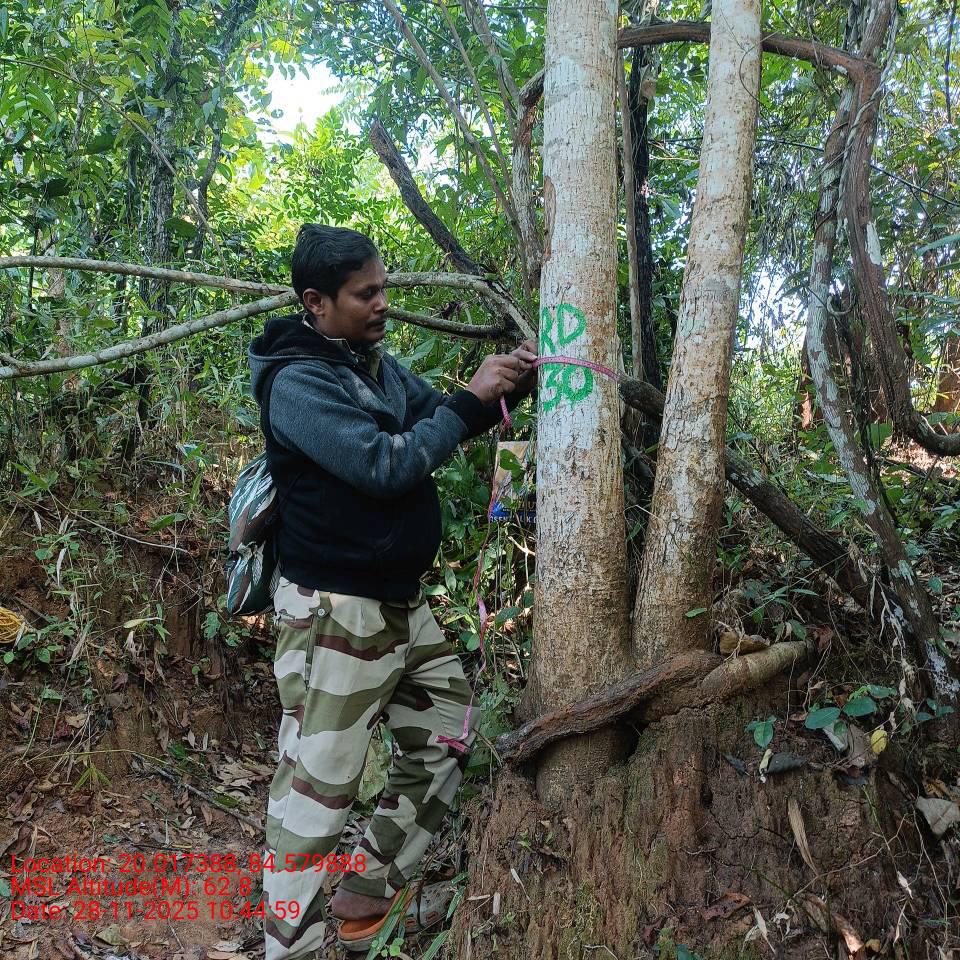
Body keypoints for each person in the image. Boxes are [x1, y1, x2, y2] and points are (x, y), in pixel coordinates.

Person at [247, 224, 536, 958]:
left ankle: (366, 891)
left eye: (384, 289)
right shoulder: (298, 382)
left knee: (448, 729)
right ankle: (290, 945)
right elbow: (385, 464)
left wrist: (501, 387)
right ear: (316, 302)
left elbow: (438, 416)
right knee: (318, 789)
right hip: (335, 612)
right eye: (365, 294)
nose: (382, 304)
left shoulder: (372, 364)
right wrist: (466, 404)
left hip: (398, 603)